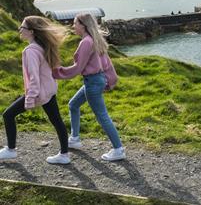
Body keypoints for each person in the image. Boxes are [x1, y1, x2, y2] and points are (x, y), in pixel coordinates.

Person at [52, 13, 125, 161]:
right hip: (96, 80)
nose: (73, 26)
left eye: (75, 23)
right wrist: (110, 79)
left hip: (93, 82)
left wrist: (56, 72)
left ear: (83, 25)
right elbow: (107, 63)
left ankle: (118, 149)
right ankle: (75, 139)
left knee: (102, 116)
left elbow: (78, 68)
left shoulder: (86, 42)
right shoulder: (95, 39)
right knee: (73, 105)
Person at [0, 16, 70, 164]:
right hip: (49, 90)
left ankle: (10, 150)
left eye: (22, 27)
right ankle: (64, 155)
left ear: (31, 31)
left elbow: (34, 77)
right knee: (57, 121)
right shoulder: (42, 46)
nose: (20, 29)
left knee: (8, 115)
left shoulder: (31, 51)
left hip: (39, 92)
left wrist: (30, 98)